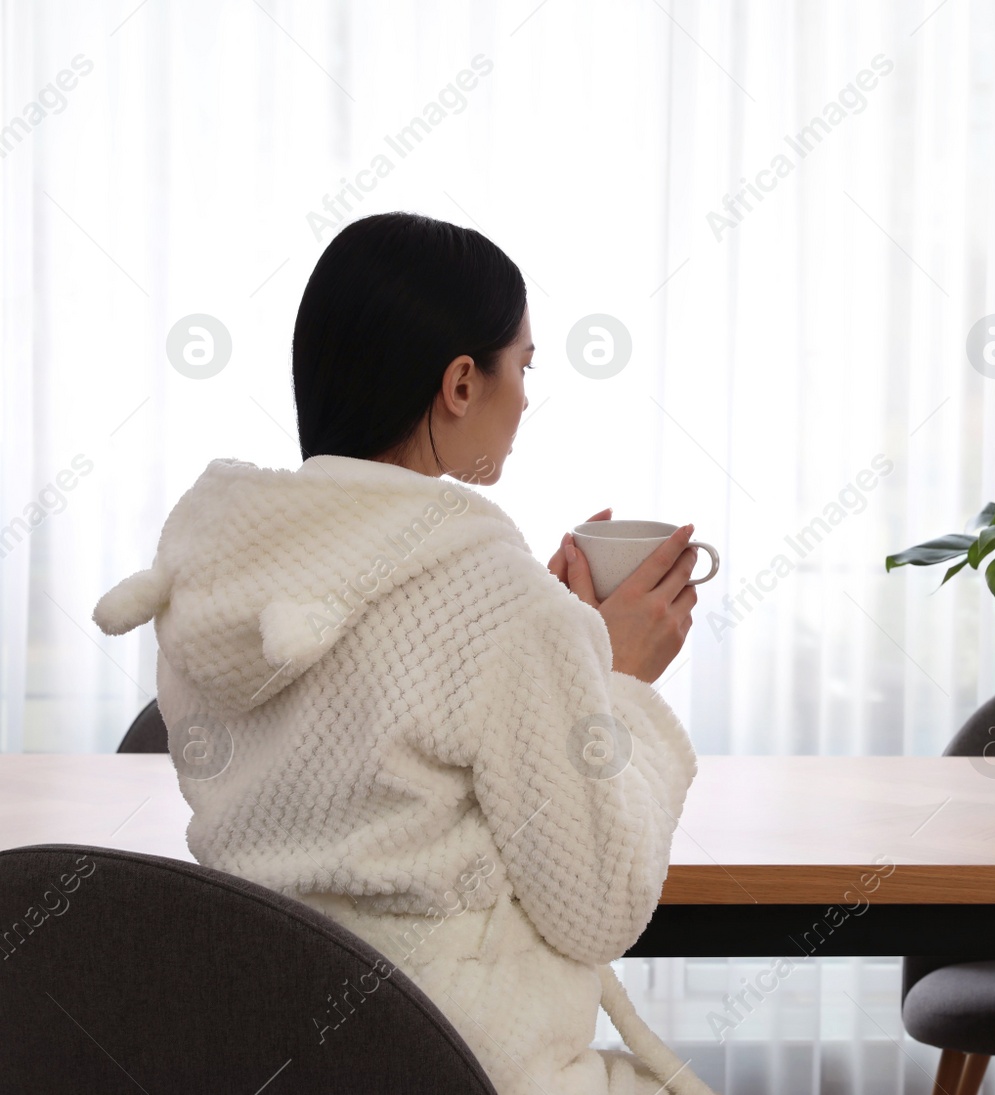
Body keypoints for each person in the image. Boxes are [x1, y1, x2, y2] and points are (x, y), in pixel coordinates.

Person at [93, 211, 714, 1095]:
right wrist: (613, 679)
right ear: (461, 382)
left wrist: (562, 650)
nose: (528, 397)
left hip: (258, 1058)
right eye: (523, 366)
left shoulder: (212, 579)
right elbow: (600, 906)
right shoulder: (497, 600)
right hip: (463, 1065)